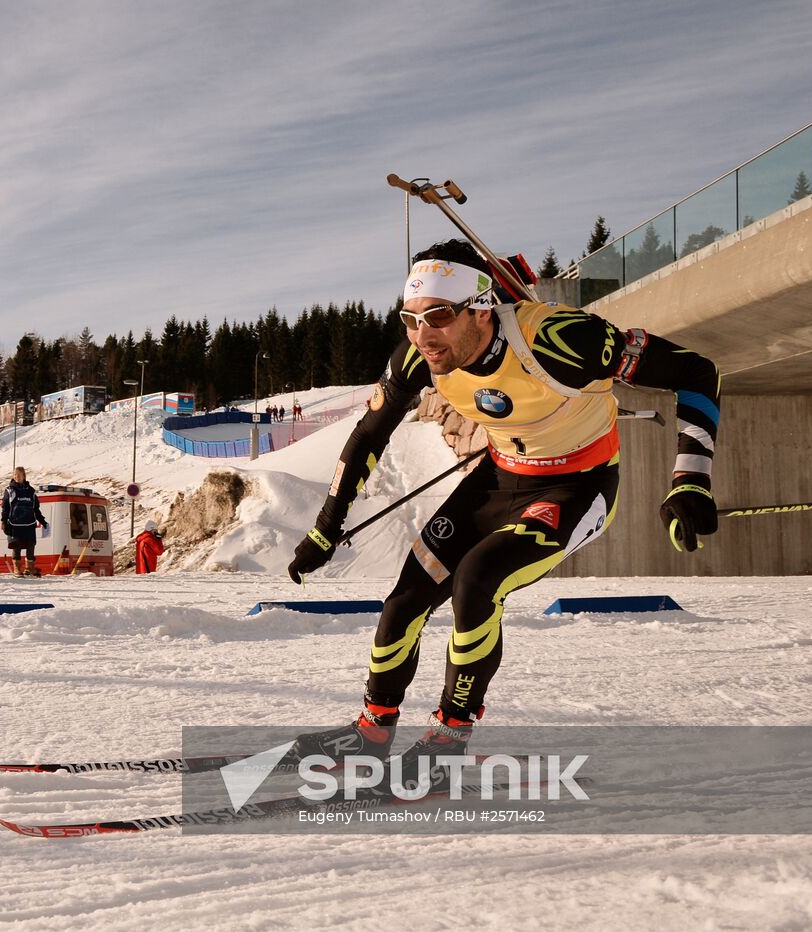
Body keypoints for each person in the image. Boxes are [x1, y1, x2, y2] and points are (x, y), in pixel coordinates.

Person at [286, 238, 721, 780]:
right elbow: (369, 433)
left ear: (481, 307)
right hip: (498, 477)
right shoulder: (420, 356)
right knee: (405, 599)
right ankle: (372, 731)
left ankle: (450, 734)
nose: (423, 335)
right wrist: (326, 529)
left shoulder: (561, 339)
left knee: (476, 581)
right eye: (411, 319)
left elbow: (697, 372)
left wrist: (690, 479)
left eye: (439, 317)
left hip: (576, 485)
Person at [1, 466, 48, 576]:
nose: (16, 477)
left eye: (19, 474)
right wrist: (3, 521)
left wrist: (43, 521)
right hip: (14, 524)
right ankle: (17, 569)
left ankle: (29, 568)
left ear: (24, 476)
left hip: (29, 524)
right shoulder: (9, 490)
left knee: (30, 546)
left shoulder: (31, 491)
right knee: (16, 546)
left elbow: (35, 509)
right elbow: (5, 508)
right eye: (15, 475)